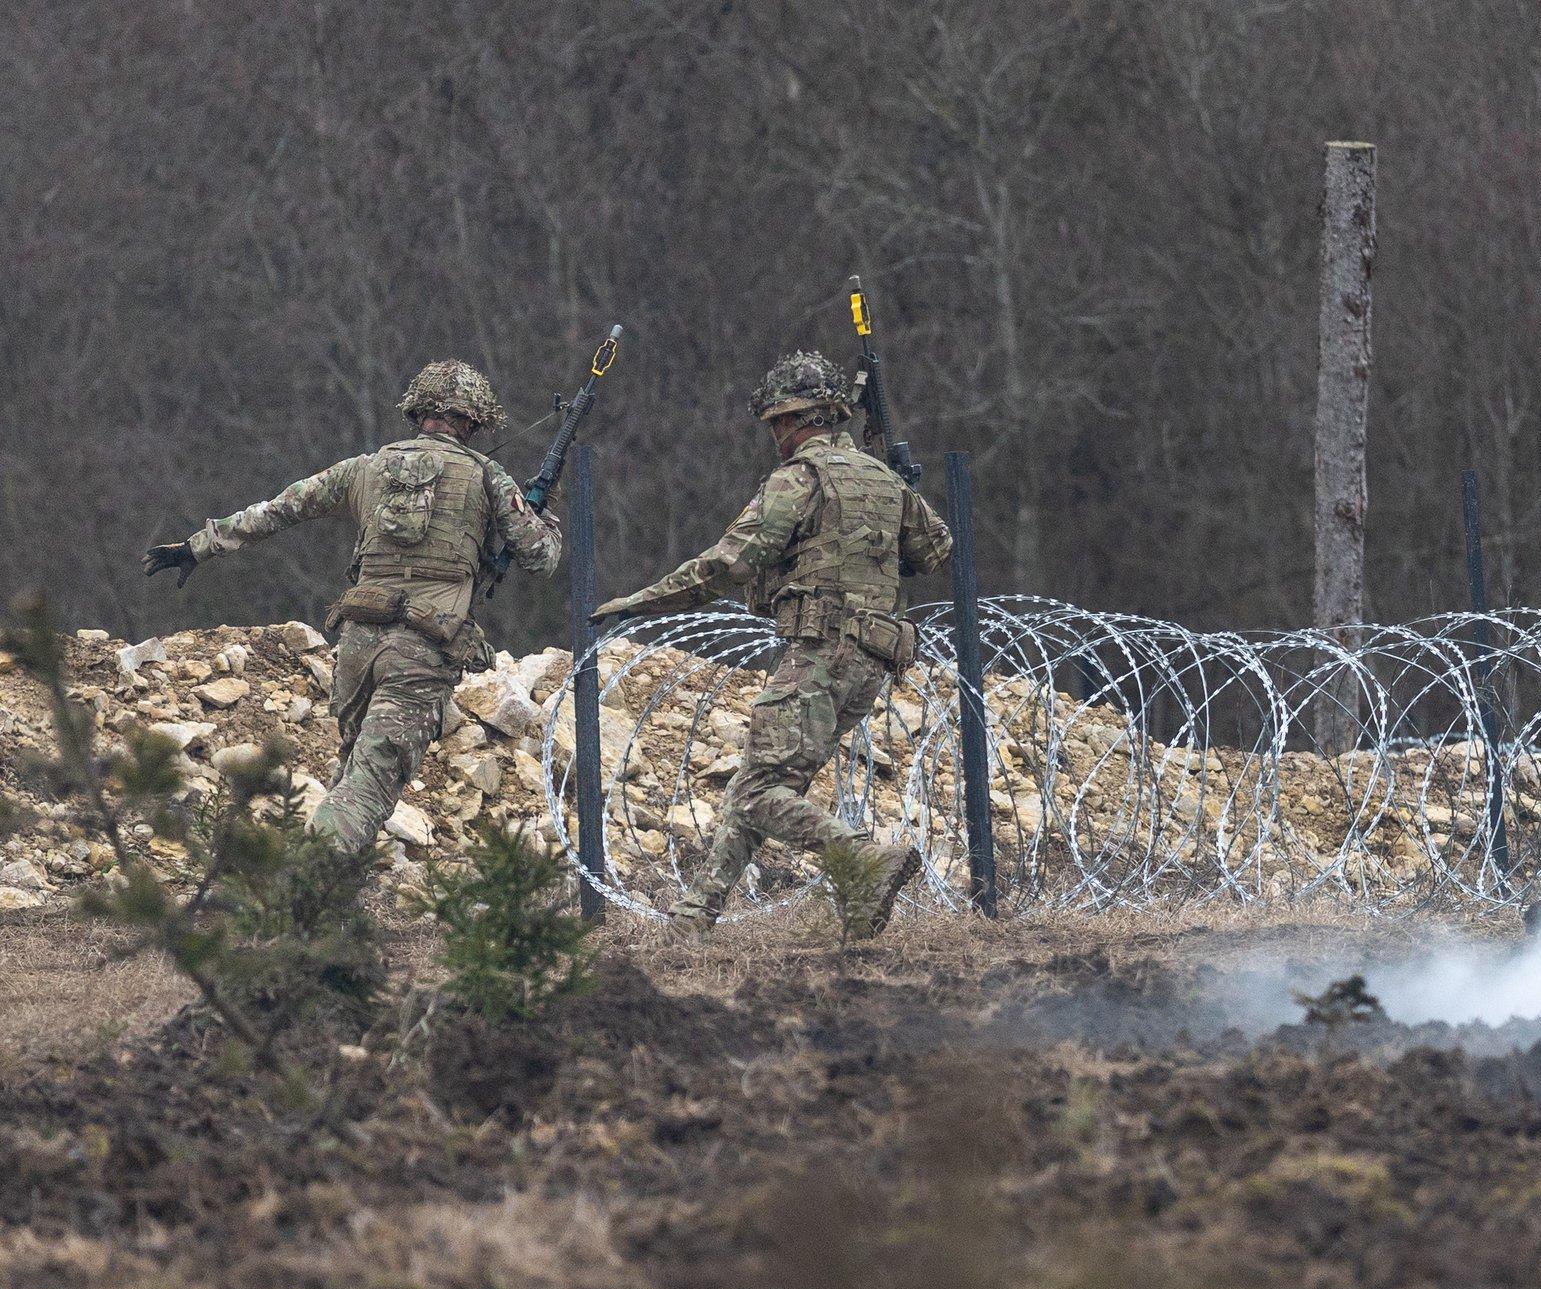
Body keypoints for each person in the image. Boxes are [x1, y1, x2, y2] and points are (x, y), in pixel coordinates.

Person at [592, 351, 952, 935]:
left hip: (821, 651)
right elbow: (935, 552)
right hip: (871, 659)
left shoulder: (799, 479)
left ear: (792, 421)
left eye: (775, 426)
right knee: (763, 783)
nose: (774, 439)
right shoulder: (885, 481)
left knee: (760, 790)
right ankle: (696, 913)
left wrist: (642, 602)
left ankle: (860, 855)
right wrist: (899, 487)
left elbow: (734, 560)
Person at [142, 360, 562, 854]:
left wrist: (198, 547)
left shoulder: (365, 468)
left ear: (417, 415)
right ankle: (300, 884)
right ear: (472, 422)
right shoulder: (488, 476)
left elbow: (279, 509)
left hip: (357, 643)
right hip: (422, 649)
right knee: (370, 786)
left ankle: (320, 908)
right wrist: (542, 514)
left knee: (353, 773)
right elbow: (540, 557)